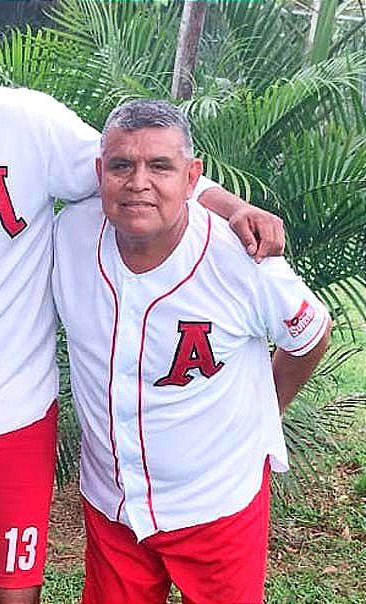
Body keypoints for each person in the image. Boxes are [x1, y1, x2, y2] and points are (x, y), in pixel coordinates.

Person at [0, 2, 286, 602]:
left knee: (10, 594)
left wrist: (232, 208)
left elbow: (135, 169)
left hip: (5, 411)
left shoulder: (24, 122)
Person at [53, 99, 332, 604]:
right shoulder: (69, 235)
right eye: (122, 165)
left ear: (191, 177)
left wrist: (265, 407)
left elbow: (310, 335)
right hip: (113, 502)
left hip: (216, 501)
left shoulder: (244, 260)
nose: (139, 181)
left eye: (160, 166)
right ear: (100, 173)